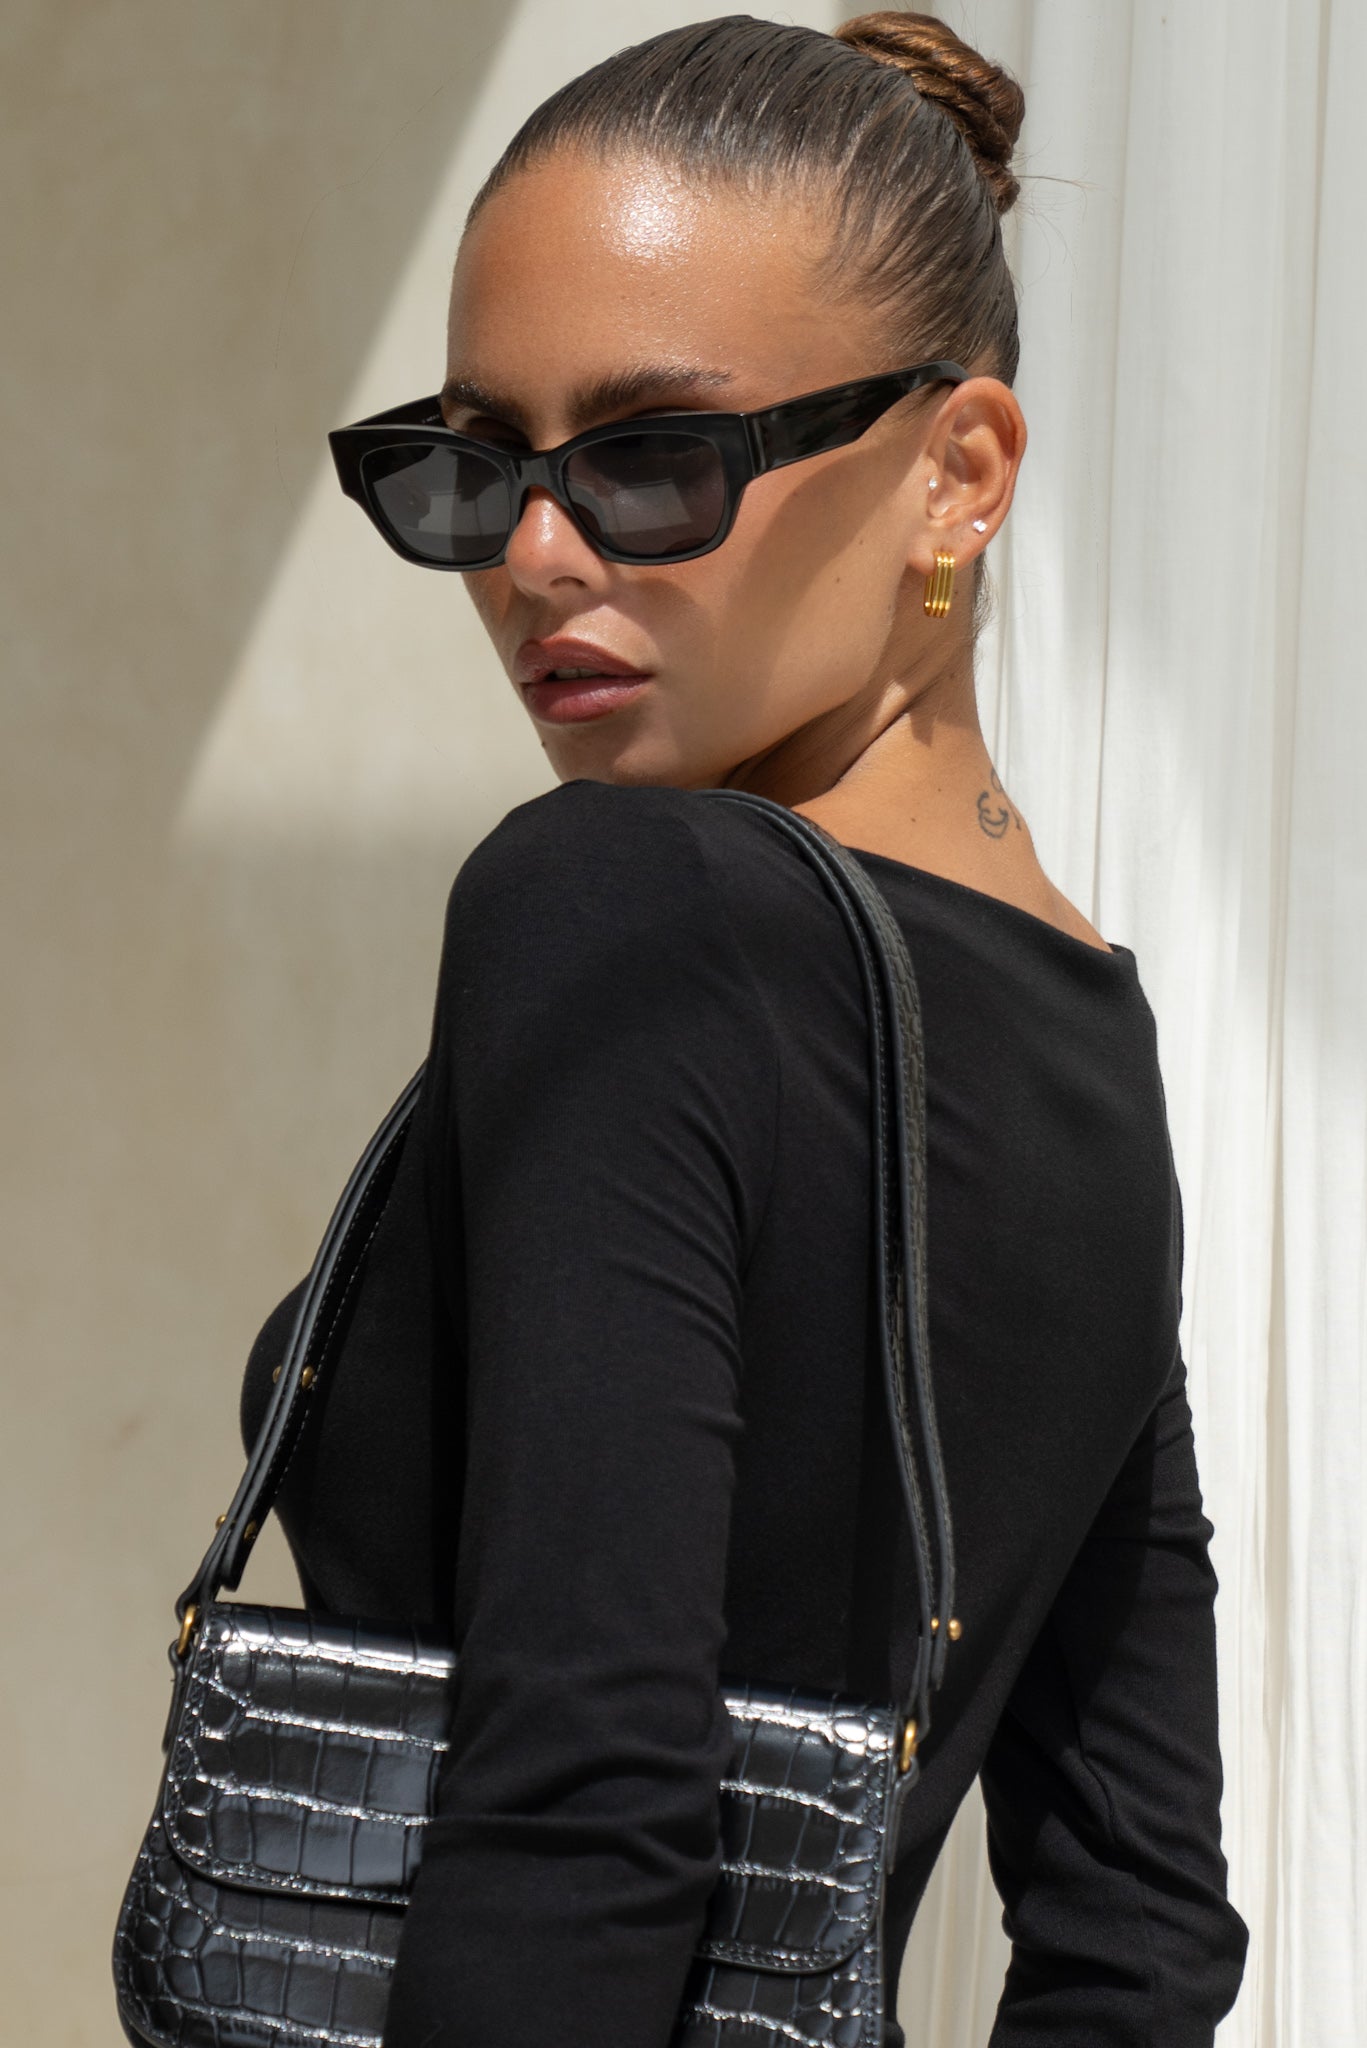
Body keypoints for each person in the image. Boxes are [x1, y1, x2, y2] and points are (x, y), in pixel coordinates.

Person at [242, 12, 1250, 2044]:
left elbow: (588, 1803)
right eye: (475, 464)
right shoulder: (1094, 1038)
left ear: (956, 473)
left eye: (649, 458)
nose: (535, 555)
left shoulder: (617, 904)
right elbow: (1141, 1914)